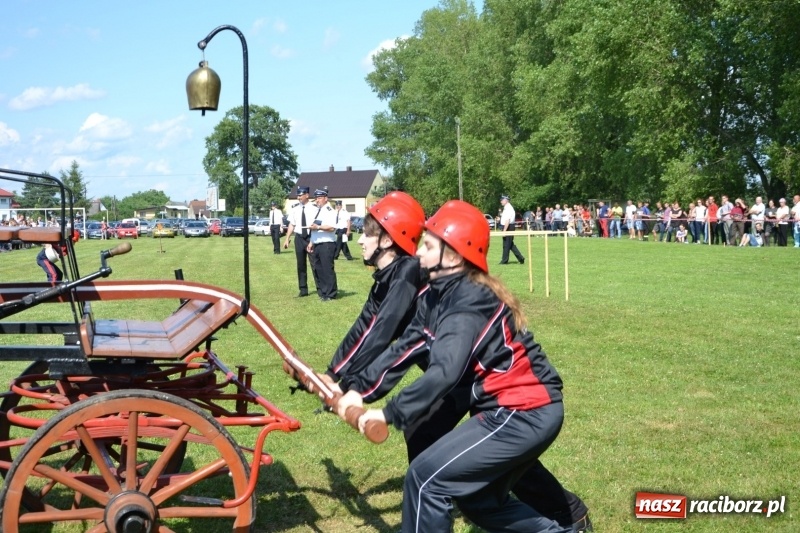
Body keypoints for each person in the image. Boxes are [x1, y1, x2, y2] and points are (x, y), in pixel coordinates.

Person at [337, 200, 581, 533]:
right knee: (478, 503)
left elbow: (444, 373)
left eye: (427, 246)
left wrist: (389, 413)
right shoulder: (436, 296)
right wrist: (359, 391)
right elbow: (405, 348)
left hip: (524, 412)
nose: (418, 253)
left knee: (426, 480)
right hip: (507, 411)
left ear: (452, 256)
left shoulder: (468, 300)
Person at [283, 186, 315, 297]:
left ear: (307, 195)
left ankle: (320, 289)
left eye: (300, 195)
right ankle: (303, 290)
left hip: (311, 237)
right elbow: (292, 224)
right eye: (297, 195)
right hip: (299, 238)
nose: (298, 197)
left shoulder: (314, 208)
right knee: (301, 265)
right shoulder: (295, 208)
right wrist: (287, 238)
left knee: (314, 264)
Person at [307, 188, 338, 300]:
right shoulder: (317, 211)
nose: (317, 200)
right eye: (316, 198)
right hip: (317, 243)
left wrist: (318, 227)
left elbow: (332, 227)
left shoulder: (330, 211)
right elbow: (314, 228)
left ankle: (331, 294)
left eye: (319, 198)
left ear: (326, 198)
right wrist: (311, 242)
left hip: (327, 243)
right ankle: (324, 292)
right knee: (318, 269)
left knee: (327, 269)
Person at [498, 195, 525, 265]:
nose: (501, 201)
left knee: (507, 244)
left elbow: (507, 220)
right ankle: (520, 258)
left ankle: (504, 261)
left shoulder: (509, 208)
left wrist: (504, 230)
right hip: (508, 226)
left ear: (506, 200)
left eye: (502, 200)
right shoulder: (506, 208)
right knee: (510, 244)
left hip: (509, 227)